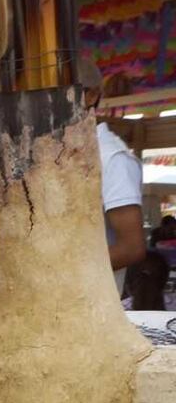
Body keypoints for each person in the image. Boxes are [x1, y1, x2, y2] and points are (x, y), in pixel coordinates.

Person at [80, 58, 147, 295]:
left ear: (91, 96)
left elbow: (132, 247)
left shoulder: (112, 158)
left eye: (59, 94)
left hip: (92, 303)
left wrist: (61, 276)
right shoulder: (60, 153)